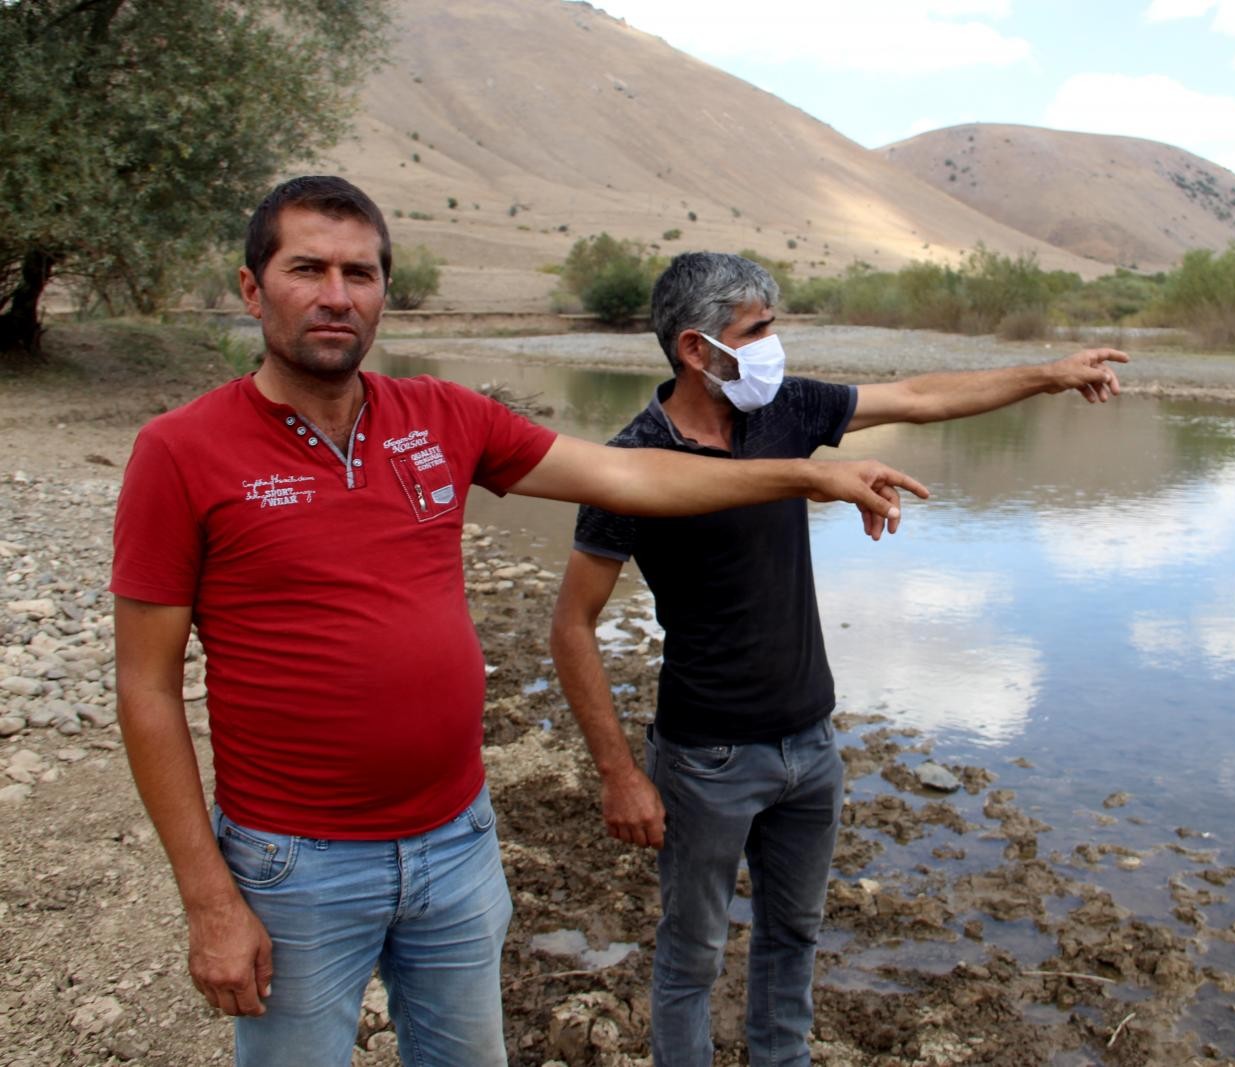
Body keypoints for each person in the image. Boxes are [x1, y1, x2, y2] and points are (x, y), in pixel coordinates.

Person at [110, 177, 928, 1067]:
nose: (337, 295)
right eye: (307, 268)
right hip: (295, 864)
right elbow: (146, 689)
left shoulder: (443, 416)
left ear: (387, 290)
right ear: (251, 287)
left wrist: (805, 475)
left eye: (361, 272)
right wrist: (209, 898)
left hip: (455, 843)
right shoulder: (180, 451)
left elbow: (633, 477)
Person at [550, 251, 1128, 1066]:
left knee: (794, 935)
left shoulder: (782, 410)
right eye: (757, 330)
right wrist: (619, 772)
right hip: (706, 757)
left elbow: (921, 398)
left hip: (812, 746)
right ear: (695, 348)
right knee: (692, 953)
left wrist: (1050, 374)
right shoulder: (630, 461)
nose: (773, 346)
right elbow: (572, 624)